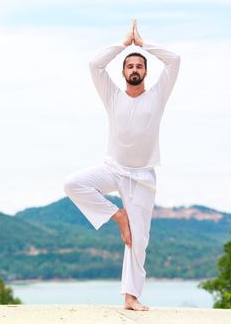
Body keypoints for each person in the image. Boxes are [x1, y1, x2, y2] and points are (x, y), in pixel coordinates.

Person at [63, 19, 181, 311]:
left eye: (139, 66)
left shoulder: (157, 95)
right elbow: (94, 64)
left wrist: (142, 45)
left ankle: (131, 296)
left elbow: (174, 60)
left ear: (146, 72)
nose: (135, 70)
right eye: (130, 66)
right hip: (114, 169)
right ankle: (118, 216)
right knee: (73, 184)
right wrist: (122, 44)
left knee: (138, 241)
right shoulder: (112, 94)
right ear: (123, 72)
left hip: (142, 177)